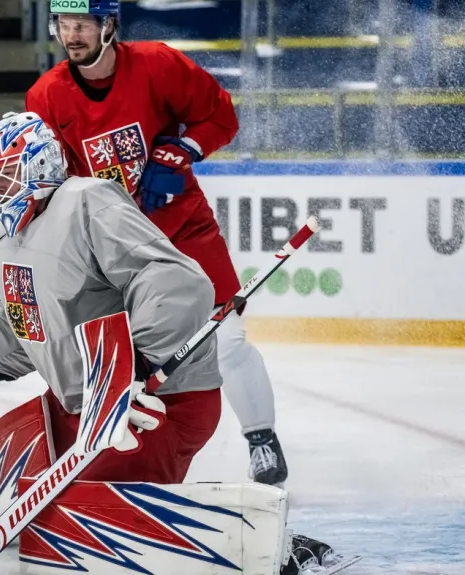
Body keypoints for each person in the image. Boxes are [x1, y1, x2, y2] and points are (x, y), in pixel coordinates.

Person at [0, 112, 351, 575]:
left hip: (156, 402)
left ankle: (277, 551)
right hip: (85, 403)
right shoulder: (6, 242)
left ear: (40, 165)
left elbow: (176, 282)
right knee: (9, 460)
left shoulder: (87, 200)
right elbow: (24, 325)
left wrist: (135, 363)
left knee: (87, 520)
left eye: (5, 174)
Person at [24, 0, 288, 486]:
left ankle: (261, 437)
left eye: (83, 24)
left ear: (109, 25)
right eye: (64, 24)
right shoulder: (46, 95)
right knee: (118, 359)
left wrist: (184, 149)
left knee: (225, 340)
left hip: (182, 233)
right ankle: (119, 462)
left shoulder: (157, 65)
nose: (72, 35)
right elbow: (49, 179)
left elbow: (220, 117)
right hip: (114, 251)